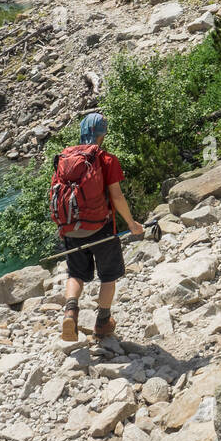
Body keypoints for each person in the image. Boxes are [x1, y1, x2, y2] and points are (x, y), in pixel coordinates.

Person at [51, 112, 145, 341]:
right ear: (102, 134)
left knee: (76, 274)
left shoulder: (64, 158)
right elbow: (117, 197)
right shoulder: (106, 159)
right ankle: (103, 322)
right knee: (108, 276)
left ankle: (70, 312)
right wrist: (131, 224)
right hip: (101, 228)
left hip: (71, 228)